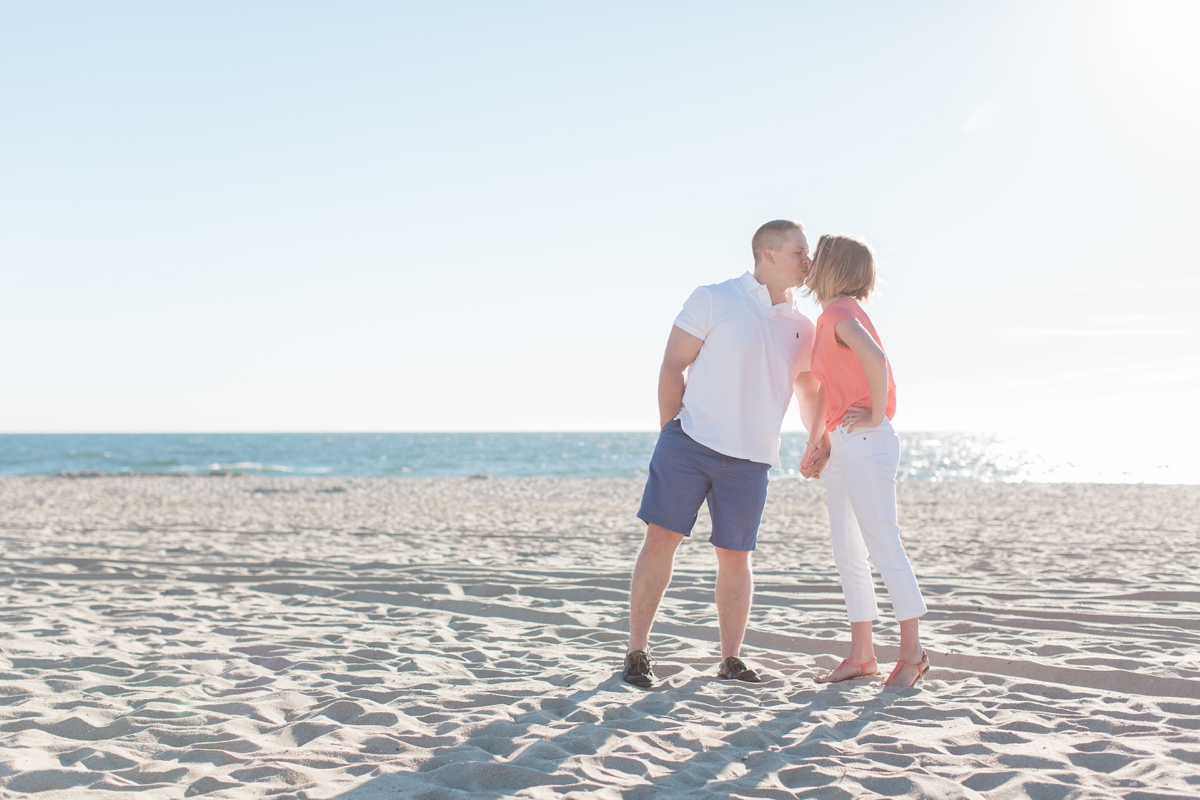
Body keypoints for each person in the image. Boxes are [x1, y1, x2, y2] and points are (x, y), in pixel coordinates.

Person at [623, 219, 825, 688]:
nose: (807, 262)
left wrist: (819, 441)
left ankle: (730, 659)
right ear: (768, 255)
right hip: (688, 444)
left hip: (751, 460)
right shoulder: (714, 297)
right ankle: (636, 652)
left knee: (736, 559)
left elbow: (809, 395)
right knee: (660, 543)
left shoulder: (803, 327)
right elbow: (674, 363)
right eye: (799, 252)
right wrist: (669, 432)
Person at [798, 234, 929, 687]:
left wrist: (876, 413)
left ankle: (912, 656)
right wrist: (818, 445)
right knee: (847, 551)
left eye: (817, 256)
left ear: (835, 267)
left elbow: (877, 359)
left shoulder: (838, 312)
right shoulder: (832, 316)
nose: (809, 263)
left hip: (867, 439)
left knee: (882, 545)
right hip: (846, 442)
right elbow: (828, 391)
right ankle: (862, 655)